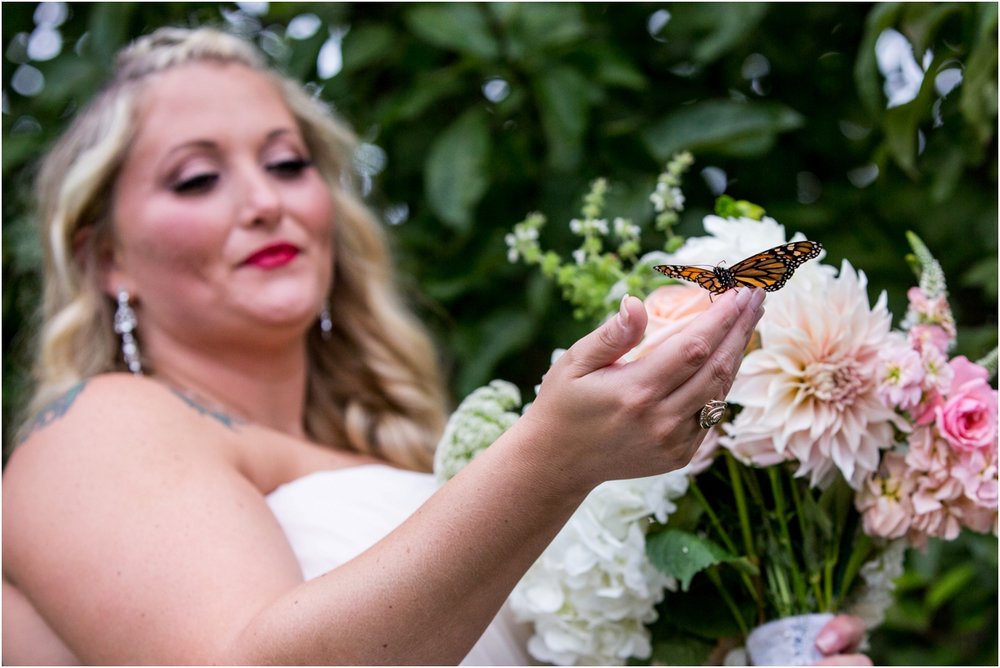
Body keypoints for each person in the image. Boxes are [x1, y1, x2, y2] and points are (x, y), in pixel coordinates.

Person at [2, 26, 870, 665]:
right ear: (104, 257)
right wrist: (550, 461)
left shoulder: (415, 461)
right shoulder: (94, 429)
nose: (263, 200)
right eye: (197, 177)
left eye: (288, 163)